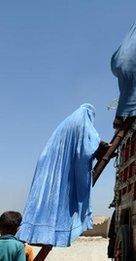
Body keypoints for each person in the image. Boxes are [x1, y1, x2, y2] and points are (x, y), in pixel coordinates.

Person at [17, 104, 106, 250]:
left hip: (47, 164)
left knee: (45, 198)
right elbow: (87, 148)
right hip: (62, 166)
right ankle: (53, 233)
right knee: (63, 197)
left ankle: (37, 233)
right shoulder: (82, 121)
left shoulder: (65, 124)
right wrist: (100, 148)